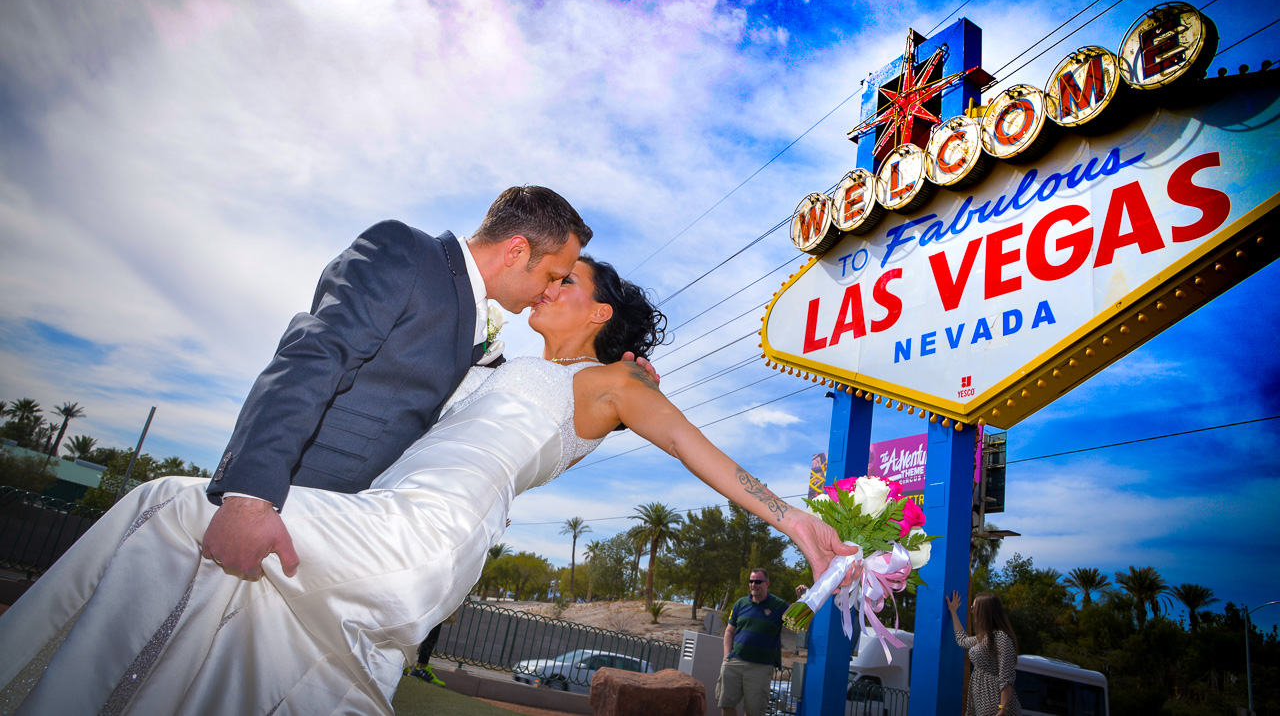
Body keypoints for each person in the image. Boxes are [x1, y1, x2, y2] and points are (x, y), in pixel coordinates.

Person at [0, 255, 858, 715]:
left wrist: (791, 518)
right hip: (385, 511)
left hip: (428, 532)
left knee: (176, 506)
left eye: (570, 281)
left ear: (600, 315)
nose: (553, 284)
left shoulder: (612, 385)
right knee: (253, 627)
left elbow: (692, 449)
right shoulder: (505, 365)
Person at [201, 184, 593, 579]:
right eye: (553, 276)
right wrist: (248, 498)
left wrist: (606, 376)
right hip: (290, 505)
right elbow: (312, 357)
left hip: (360, 537)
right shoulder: (405, 252)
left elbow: (512, 405)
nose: (552, 292)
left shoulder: (479, 324)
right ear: (517, 251)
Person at [717, 568, 791, 716]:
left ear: (766, 584)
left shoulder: (779, 606)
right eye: (751, 581)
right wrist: (727, 656)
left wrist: (801, 600)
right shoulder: (741, 603)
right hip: (734, 663)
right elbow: (729, 631)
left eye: (757, 581)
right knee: (726, 703)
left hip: (761, 667)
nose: (753, 584)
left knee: (754, 711)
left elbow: (797, 624)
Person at [947, 590, 1023, 716]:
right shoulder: (982, 637)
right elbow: (962, 640)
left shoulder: (1001, 637)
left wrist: (1003, 709)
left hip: (994, 702)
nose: (972, 611)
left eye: (973, 607)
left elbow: (1007, 677)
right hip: (980, 701)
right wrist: (953, 612)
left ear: (984, 611)